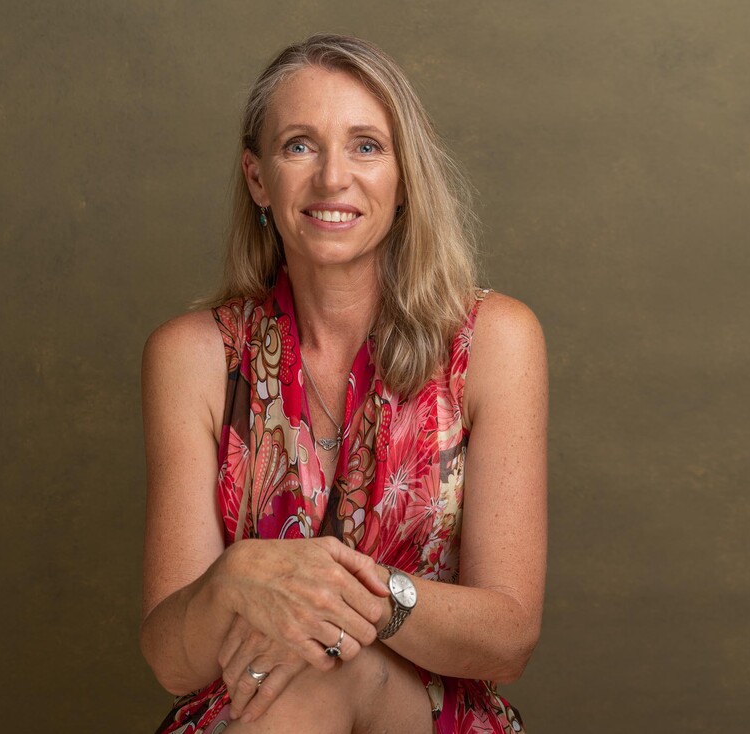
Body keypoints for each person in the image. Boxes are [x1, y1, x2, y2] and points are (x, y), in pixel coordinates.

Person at [141, 34, 547, 734]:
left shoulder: (494, 340)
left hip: (430, 715)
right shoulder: (193, 356)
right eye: (300, 145)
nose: (333, 178)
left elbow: (507, 641)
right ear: (258, 178)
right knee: (297, 690)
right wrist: (234, 580)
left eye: (366, 147)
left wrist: (350, 597)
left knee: (335, 669)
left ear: (404, 180)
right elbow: (175, 666)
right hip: (249, 711)